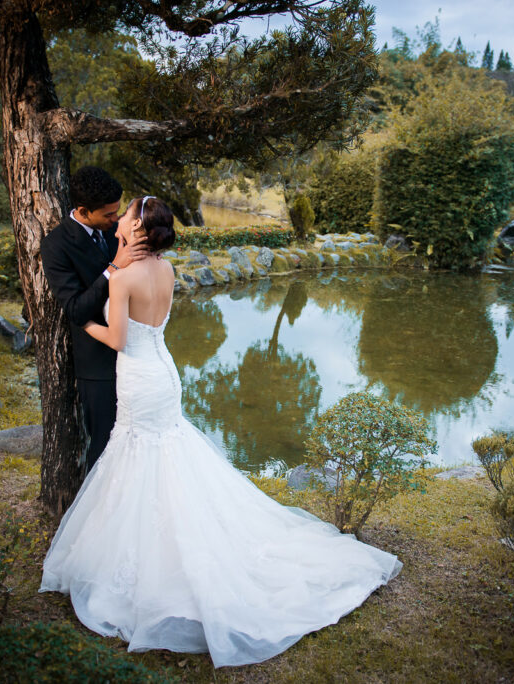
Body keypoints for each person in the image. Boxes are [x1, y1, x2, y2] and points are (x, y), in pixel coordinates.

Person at [39, 196, 402, 668]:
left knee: (139, 456)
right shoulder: (166, 269)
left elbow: (119, 339)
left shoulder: (125, 276)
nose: (120, 222)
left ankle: (152, 562)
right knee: (165, 456)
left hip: (139, 377)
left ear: (139, 229)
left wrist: (84, 320)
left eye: (126, 217)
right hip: (164, 374)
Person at [40, 166, 147, 472]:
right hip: (98, 366)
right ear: (83, 211)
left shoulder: (120, 233)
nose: (116, 221)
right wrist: (113, 267)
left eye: (118, 212)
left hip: (138, 358)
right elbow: (75, 309)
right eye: (108, 215)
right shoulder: (56, 245)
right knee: (104, 447)